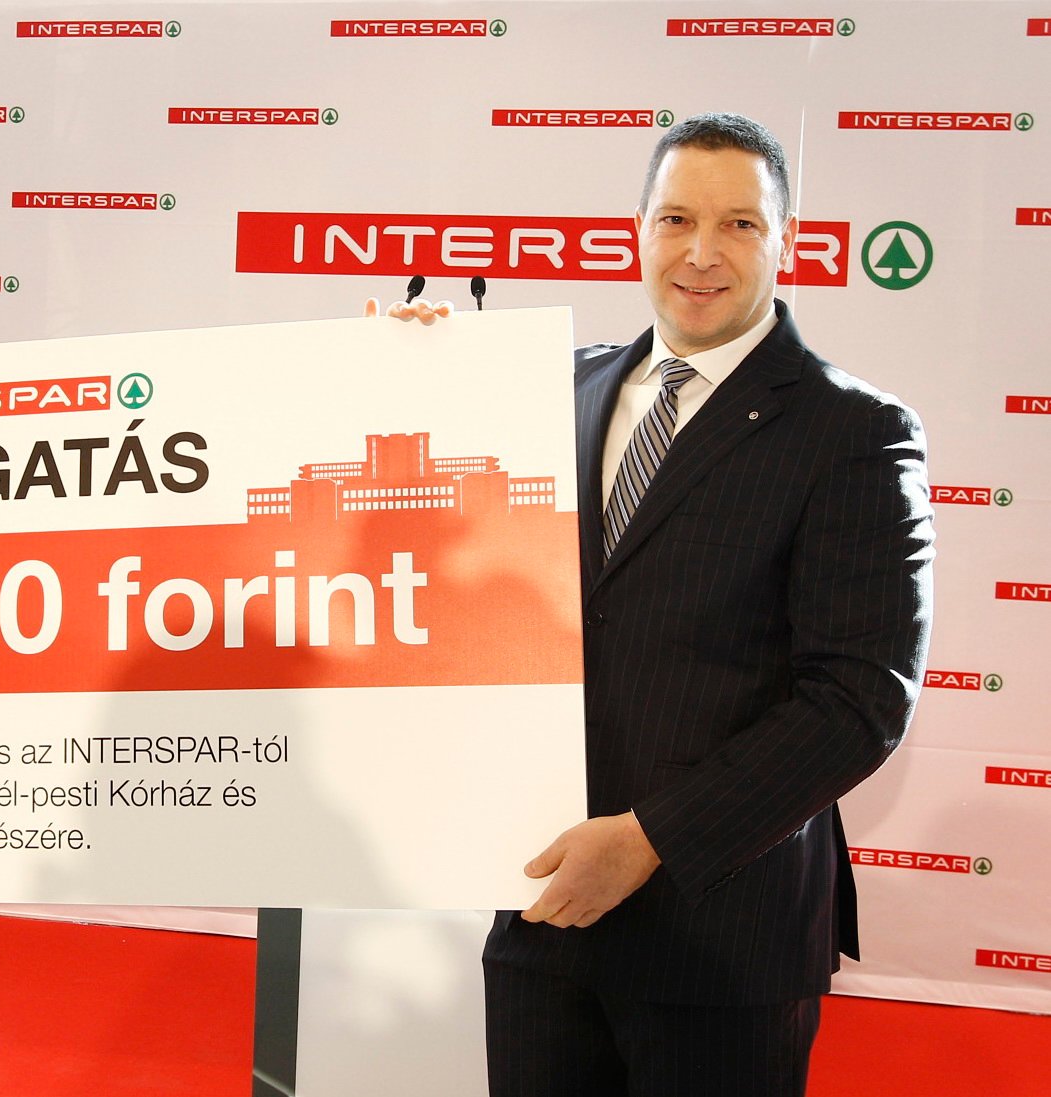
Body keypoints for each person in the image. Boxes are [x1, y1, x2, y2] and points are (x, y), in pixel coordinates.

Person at [373, 113, 934, 1095]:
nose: (700, 252)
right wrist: (409, 377)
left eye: (738, 224)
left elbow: (858, 700)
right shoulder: (551, 388)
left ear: (787, 240)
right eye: (675, 218)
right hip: (540, 915)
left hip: (722, 938)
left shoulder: (853, 430)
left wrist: (648, 838)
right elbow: (421, 541)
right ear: (635, 228)